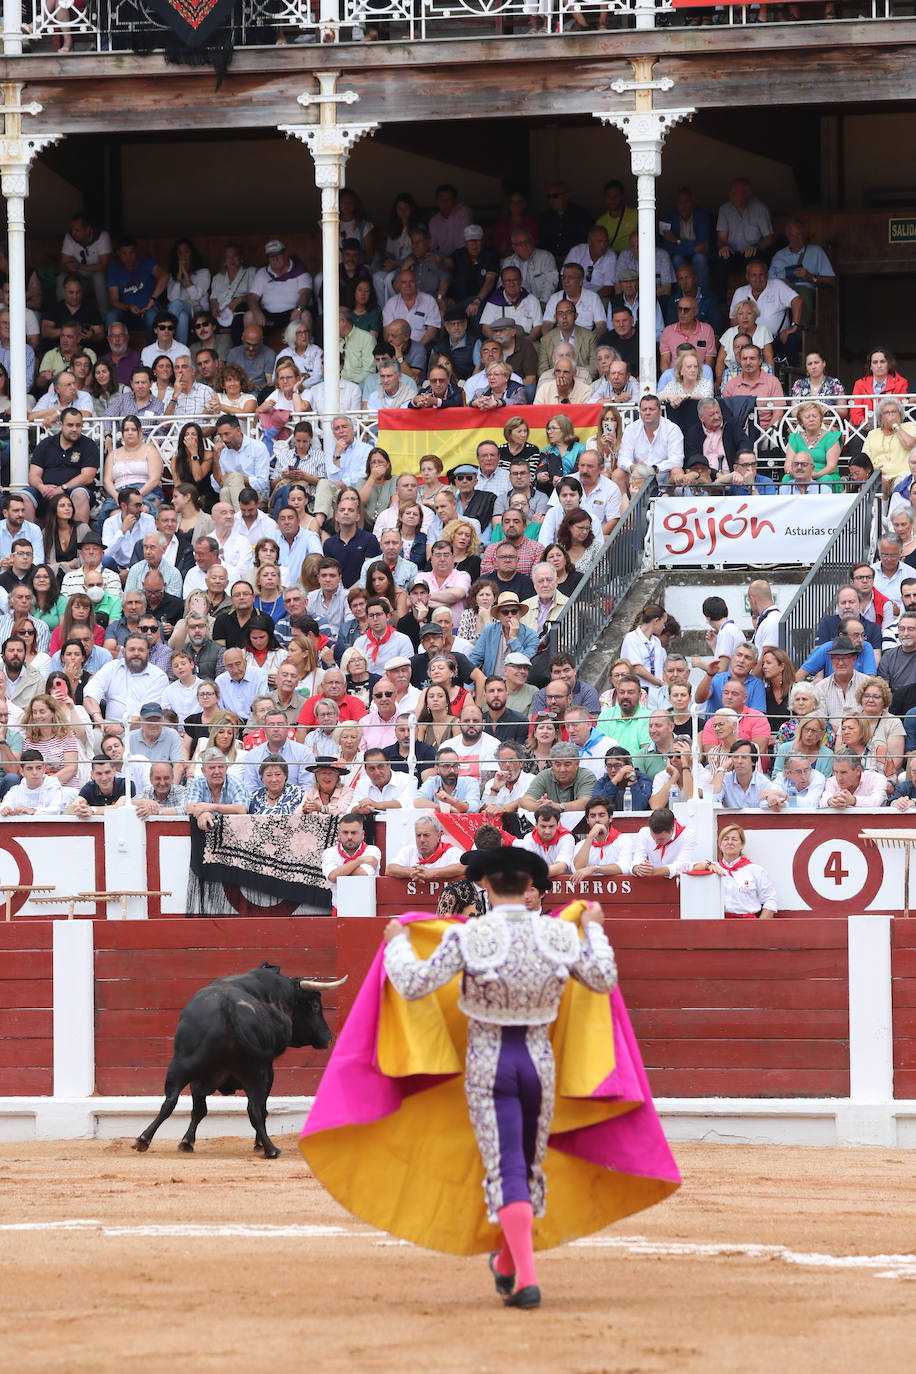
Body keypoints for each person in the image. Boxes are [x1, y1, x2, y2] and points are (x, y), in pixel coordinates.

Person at [381, 841, 618, 1310]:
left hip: (490, 1064)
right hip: (538, 1062)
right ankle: (508, 1265)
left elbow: (411, 984)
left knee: (507, 1166)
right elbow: (604, 978)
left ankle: (526, 1278)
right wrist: (594, 931)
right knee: (527, 1164)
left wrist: (398, 945)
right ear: (531, 886)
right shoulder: (559, 936)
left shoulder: (468, 936)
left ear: (484, 885)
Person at [387, 814, 466, 881]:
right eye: (418, 835)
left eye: (426, 835)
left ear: (438, 836)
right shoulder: (408, 850)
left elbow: (463, 867)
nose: (421, 840)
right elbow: (390, 869)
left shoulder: (452, 851)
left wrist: (432, 873)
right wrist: (415, 872)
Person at [573, 797, 631, 878]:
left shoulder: (623, 840)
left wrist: (595, 868)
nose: (597, 820)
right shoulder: (581, 845)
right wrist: (590, 837)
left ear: (610, 818)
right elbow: (577, 869)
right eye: (592, 816)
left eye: (601, 815)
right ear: (587, 820)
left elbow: (624, 867)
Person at [631, 806, 696, 878]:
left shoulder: (687, 835)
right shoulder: (644, 832)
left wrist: (655, 871)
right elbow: (637, 859)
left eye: (661, 839)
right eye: (653, 837)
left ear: (672, 830)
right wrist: (637, 869)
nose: (656, 842)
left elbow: (682, 866)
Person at [818, 746, 887, 809]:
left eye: (843, 772)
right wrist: (830, 801)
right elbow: (823, 801)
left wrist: (852, 800)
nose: (839, 778)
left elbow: (876, 801)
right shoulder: (831, 781)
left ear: (858, 770)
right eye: (836, 772)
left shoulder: (877, 779)